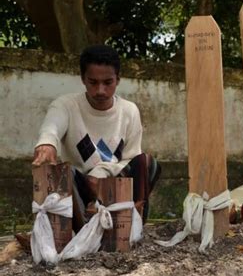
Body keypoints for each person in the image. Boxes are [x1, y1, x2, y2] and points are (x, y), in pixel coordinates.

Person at [32, 45, 160, 231]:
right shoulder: (66, 105)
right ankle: (84, 228)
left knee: (148, 163)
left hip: (116, 187)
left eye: (108, 82)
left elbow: (131, 159)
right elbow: (52, 128)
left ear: (118, 79)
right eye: (93, 82)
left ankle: (131, 225)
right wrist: (47, 144)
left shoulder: (129, 111)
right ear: (83, 79)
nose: (100, 90)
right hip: (81, 188)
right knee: (64, 174)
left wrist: (101, 175)